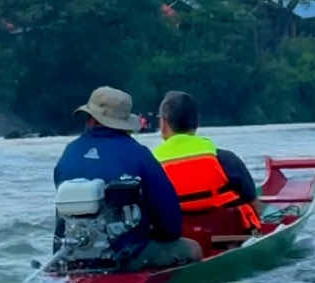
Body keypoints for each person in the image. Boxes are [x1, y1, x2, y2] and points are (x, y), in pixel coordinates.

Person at [53, 86, 201, 269]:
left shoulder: (68, 153)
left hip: (70, 258)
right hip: (126, 259)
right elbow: (171, 226)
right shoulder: (140, 155)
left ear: (90, 119)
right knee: (194, 249)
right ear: (123, 123)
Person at [153, 91, 261, 229]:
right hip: (227, 237)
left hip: (178, 240)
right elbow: (254, 204)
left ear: (163, 123)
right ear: (197, 123)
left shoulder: (152, 165)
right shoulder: (226, 159)